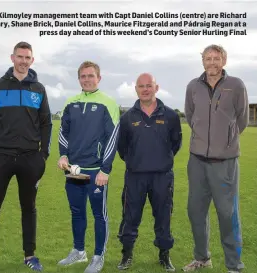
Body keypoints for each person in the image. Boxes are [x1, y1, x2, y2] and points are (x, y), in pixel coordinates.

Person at [0, 41, 52, 273]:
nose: (23, 61)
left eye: (27, 57)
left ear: (32, 60)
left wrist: (43, 155)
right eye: (20, 57)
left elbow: (46, 123)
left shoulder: (38, 89)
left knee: (28, 208)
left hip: (30, 159)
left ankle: (30, 256)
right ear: (12, 58)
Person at [182, 45, 249, 273]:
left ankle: (234, 266)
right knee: (196, 212)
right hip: (197, 162)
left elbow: (242, 119)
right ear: (202, 61)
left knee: (228, 215)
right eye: (208, 58)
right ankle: (202, 258)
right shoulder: (193, 86)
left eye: (216, 58)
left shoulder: (236, 85)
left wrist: (225, 142)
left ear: (224, 60)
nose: (212, 62)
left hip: (225, 164)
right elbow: (191, 117)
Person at [57, 61, 120, 273]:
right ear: (79, 79)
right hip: (73, 170)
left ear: (99, 78)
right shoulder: (70, 102)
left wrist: (106, 169)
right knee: (76, 212)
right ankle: (78, 251)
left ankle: (98, 256)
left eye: (90, 75)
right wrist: (63, 156)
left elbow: (113, 138)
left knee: (99, 215)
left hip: (96, 171)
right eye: (83, 76)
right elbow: (63, 132)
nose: (87, 79)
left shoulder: (108, 103)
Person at [117, 73, 182, 272]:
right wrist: (135, 162)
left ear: (156, 87)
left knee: (163, 216)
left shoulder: (170, 115)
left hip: (162, 176)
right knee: (130, 216)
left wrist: (161, 160)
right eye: (141, 86)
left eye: (149, 85)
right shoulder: (127, 117)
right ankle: (126, 255)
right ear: (136, 89)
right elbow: (122, 148)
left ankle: (164, 255)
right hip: (135, 176)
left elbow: (175, 144)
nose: (145, 89)